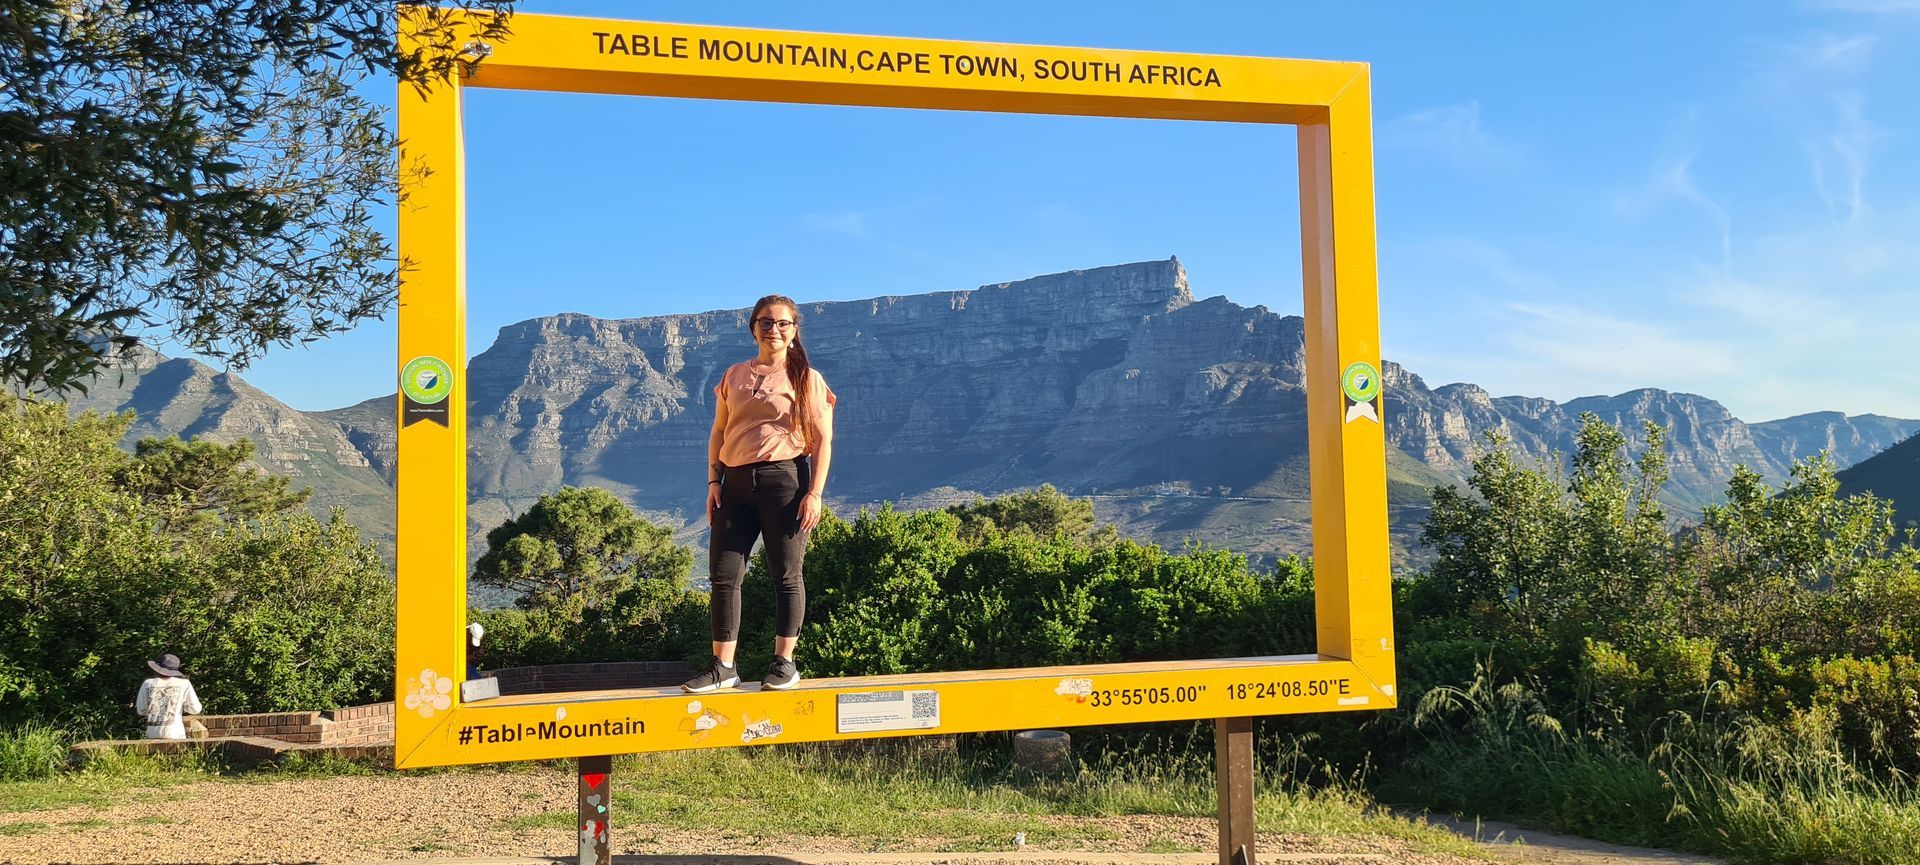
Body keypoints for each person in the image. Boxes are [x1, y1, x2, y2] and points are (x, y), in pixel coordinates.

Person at [684, 294, 836, 693]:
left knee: (785, 574)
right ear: (753, 327)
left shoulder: (807, 378)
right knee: (723, 575)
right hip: (734, 484)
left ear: (794, 330)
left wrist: (815, 494)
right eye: (766, 322)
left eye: (783, 323)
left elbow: (823, 440)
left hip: (784, 481)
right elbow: (719, 430)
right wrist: (713, 482)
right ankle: (724, 667)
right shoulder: (734, 374)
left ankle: (784, 663)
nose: (774, 329)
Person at [135, 653, 203, 740]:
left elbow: (141, 710)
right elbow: (195, 709)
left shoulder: (147, 683)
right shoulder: (184, 684)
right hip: (176, 734)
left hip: (152, 734)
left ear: (156, 669)